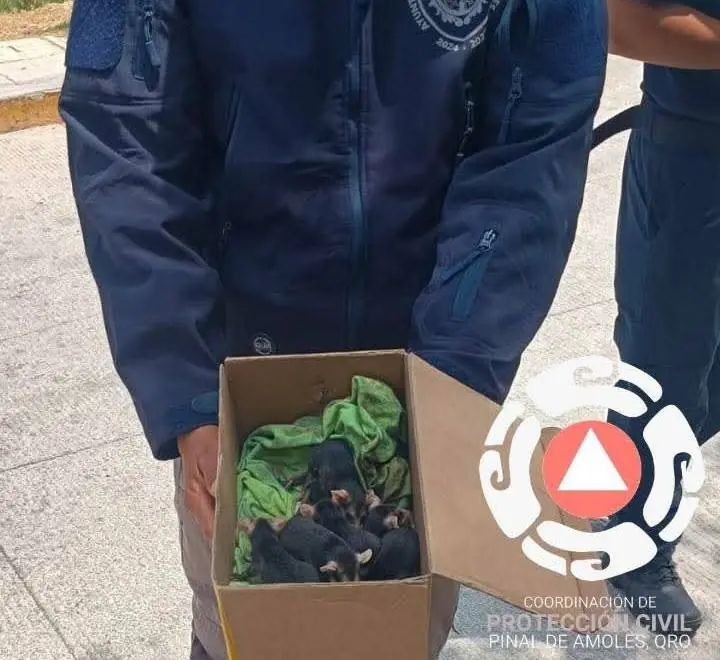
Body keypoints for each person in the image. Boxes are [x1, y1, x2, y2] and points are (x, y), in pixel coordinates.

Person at [59, 1, 608, 658]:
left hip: (428, 354)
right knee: (244, 632)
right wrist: (188, 390)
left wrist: (451, 380)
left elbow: (533, 152)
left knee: (399, 626)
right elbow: (126, 138)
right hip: (238, 373)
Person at [604, 0, 720, 636]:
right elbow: (618, 21)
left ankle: (642, 482)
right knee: (667, 365)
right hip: (694, 161)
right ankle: (635, 546)